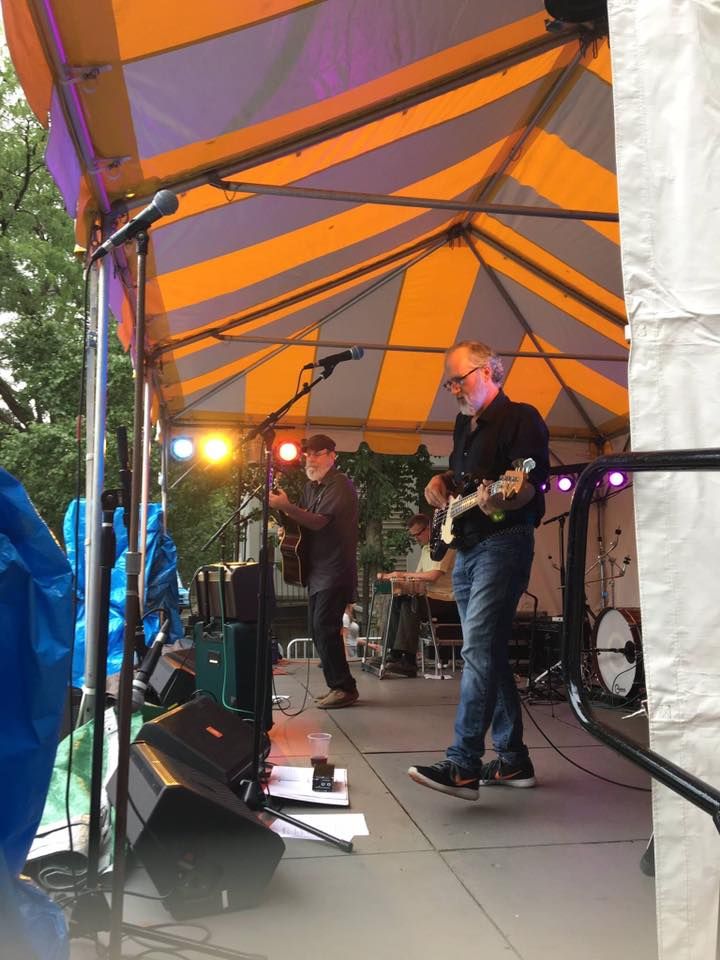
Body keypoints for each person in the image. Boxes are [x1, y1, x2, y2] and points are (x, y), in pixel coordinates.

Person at [408, 340, 549, 799]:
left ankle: (463, 765)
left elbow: (528, 484)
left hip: (503, 543)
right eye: (448, 383)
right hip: (467, 548)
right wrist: (441, 481)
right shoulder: (463, 425)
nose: (453, 389)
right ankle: (512, 759)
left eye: (459, 379)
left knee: (478, 652)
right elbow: (463, 480)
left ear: (489, 371)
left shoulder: (521, 418)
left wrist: (508, 495)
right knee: (487, 653)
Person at [269, 434, 359, 709]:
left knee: (325, 627)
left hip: (335, 569)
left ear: (332, 455)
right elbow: (304, 521)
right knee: (317, 629)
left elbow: (319, 522)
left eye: (317, 454)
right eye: (307, 454)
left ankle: (344, 688)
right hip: (318, 571)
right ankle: (338, 685)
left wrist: (286, 507)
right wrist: (285, 521)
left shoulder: (340, 484)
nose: (310, 459)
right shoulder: (311, 488)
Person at [374, 513, 457, 677]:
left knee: (412, 601)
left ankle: (409, 660)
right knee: (398, 599)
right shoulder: (426, 549)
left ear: (429, 528)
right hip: (430, 597)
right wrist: (399, 580)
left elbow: (433, 576)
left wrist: (401, 574)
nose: (416, 539)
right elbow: (418, 576)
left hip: (446, 599)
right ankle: (393, 653)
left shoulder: (445, 545)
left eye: (418, 534)